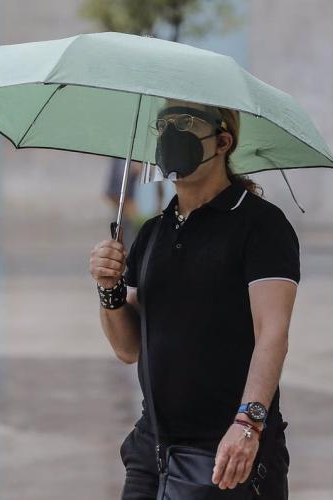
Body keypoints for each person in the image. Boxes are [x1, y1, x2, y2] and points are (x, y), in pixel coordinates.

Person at [90, 100, 298, 499]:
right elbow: (128, 348)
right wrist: (109, 288)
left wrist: (248, 424)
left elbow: (272, 332)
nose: (171, 134)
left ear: (222, 141)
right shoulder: (153, 232)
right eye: (163, 124)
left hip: (227, 455)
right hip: (151, 450)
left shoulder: (261, 225)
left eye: (185, 123)